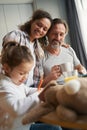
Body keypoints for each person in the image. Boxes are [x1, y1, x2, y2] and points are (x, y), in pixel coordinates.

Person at [0, 41, 62, 130]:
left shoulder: (16, 82)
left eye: (27, 73)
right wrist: (40, 95)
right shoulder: (3, 86)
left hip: (24, 127)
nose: (25, 77)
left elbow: (28, 90)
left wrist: (46, 90)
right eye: (22, 73)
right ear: (7, 68)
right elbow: (16, 108)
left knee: (54, 127)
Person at [1, 9, 52, 88]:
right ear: (32, 21)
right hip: (11, 86)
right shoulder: (16, 35)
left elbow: (38, 74)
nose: (40, 30)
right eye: (39, 25)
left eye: (45, 29)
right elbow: (6, 59)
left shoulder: (39, 48)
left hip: (28, 88)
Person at [40, 18, 87, 87]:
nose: (58, 38)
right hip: (55, 91)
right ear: (47, 34)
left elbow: (80, 67)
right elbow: (38, 86)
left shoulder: (69, 50)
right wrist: (49, 78)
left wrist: (82, 72)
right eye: (54, 34)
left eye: (61, 34)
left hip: (73, 86)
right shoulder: (41, 55)